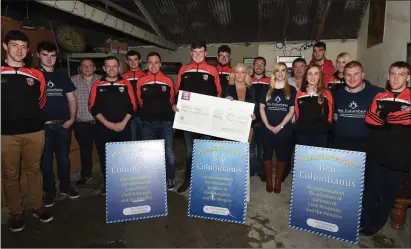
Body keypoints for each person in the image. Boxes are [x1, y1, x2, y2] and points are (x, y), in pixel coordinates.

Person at [1, 30, 53, 232]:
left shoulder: (36, 74)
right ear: (5, 46)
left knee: (35, 170)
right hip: (5, 134)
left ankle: (37, 206)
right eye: (14, 45)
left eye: (23, 46)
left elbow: (41, 100)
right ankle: (16, 212)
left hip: (34, 131)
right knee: (10, 175)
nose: (19, 50)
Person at [361, 61, 410, 236]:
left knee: (387, 195)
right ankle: (365, 219)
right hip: (376, 152)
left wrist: (385, 117)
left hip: (398, 156)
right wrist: (393, 117)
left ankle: (376, 223)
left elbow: (407, 119)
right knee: (370, 190)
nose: (396, 78)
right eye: (393, 74)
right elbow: (369, 118)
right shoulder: (380, 96)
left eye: (401, 74)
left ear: (408, 77)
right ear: (388, 76)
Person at [174, 40, 222, 192]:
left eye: (201, 52)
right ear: (190, 53)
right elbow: (177, 91)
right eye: (195, 52)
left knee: (206, 150)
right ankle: (188, 180)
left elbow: (218, 93)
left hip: (206, 119)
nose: (198, 55)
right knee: (189, 151)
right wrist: (175, 105)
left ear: (206, 53)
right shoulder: (184, 70)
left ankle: (205, 182)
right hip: (188, 119)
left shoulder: (212, 70)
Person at [37, 41, 79, 206]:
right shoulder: (33, 74)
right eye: (45, 55)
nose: (49, 59)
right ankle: (50, 191)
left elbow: (72, 98)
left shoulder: (62, 75)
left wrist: (72, 118)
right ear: (38, 55)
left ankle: (65, 186)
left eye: (52, 55)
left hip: (63, 125)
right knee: (45, 161)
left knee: (63, 158)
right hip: (42, 127)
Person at [88, 56, 137, 195]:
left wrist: (122, 123)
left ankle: (124, 185)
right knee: (106, 158)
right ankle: (108, 184)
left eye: (114, 66)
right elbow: (92, 107)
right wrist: (108, 124)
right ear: (103, 68)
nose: (111, 69)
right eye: (108, 66)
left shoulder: (126, 84)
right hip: (103, 129)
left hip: (124, 128)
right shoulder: (97, 84)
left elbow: (133, 106)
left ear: (119, 68)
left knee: (124, 159)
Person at [136, 52, 177, 190]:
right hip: (147, 124)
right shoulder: (141, 81)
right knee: (149, 154)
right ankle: (152, 179)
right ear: (147, 64)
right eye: (150, 62)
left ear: (160, 64)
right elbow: (140, 101)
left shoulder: (168, 80)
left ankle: (170, 178)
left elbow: (171, 100)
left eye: (156, 62)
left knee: (169, 152)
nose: (153, 65)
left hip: (166, 123)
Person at [260, 62, 297, 193]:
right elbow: (262, 108)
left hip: (284, 130)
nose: (280, 73)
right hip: (267, 129)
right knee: (267, 154)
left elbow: (292, 111)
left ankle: (278, 182)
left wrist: (280, 126)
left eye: (283, 71)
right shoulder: (266, 88)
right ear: (274, 73)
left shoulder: (291, 89)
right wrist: (268, 125)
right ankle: (269, 180)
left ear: (286, 73)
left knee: (282, 156)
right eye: (277, 71)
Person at [332, 61, 384, 152]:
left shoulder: (378, 93)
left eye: (356, 74)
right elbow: (334, 116)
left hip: (368, 145)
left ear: (363, 75)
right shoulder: (336, 93)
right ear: (343, 76)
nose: (352, 78)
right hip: (341, 145)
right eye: (348, 75)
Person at [71, 58, 101, 186]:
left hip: (101, 123)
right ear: (80, 68)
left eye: (90, 66)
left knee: (104, 151)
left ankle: (108, 176)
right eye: (84, 66)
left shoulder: (102, 80)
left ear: (94, 68)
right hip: (82, 123)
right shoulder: (73, 80)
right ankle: (86, 175)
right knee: (85, 152)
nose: (87, 68)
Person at [294, 65, 333, 147]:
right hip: (302, 134)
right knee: (303, 159)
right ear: (306, 77)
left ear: (319, 77)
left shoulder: (326, 93)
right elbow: (297, 113)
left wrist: (325, 127)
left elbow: (330, 114)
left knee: (319, 159)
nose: (313, 77)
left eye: (316, 74)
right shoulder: (300, 94)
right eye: (310, 74)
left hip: (321, 135)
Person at [250, 57, 270, 181]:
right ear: (253, 66)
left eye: (261, 64)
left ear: (264, 67)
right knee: (251, 148)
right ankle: (251, 169)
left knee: (262, 148)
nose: (259, 67)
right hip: (250, 120)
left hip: (265, 120)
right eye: (256, 64)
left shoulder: (270, 81)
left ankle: (262, 171)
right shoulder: (247, 80)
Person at [225, 63, 256, 143]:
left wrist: (255, 116)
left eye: (242, 72)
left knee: (243, 153)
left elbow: (256, 107)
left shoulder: (252, 89)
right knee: (230, 151)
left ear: (246, 74)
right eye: (237, 72)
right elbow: (221, 108)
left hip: (247, 127)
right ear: (233, 74)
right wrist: (225, 102)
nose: (239, 74)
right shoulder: (227, 88)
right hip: (230, 127)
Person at [121, 50, 146, 141]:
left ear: (140, 60)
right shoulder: (122, 78)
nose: (133, 62)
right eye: (130, 60)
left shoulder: (146, 76)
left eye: (135, 59)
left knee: (144, 144)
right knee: (131, 144)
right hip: (128, 117)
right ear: (127, 62)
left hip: (144, 116)